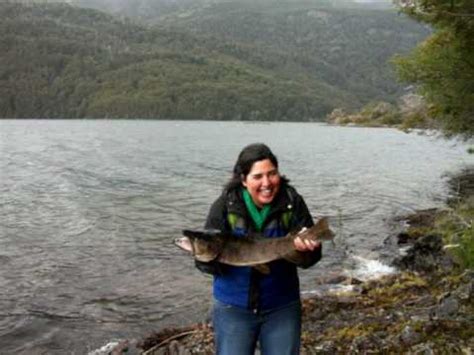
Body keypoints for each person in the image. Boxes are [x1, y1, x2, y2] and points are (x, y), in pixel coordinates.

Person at [196, 143, 322, 355]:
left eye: (272, 174)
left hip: (282, 306)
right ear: (244, 180)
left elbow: (312, 258)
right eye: (258, 177)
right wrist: (209, 259)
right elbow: (203, 261)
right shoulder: (225, 206)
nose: (267, 183)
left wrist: (306, 250)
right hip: (232, 308)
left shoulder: (291, 201)